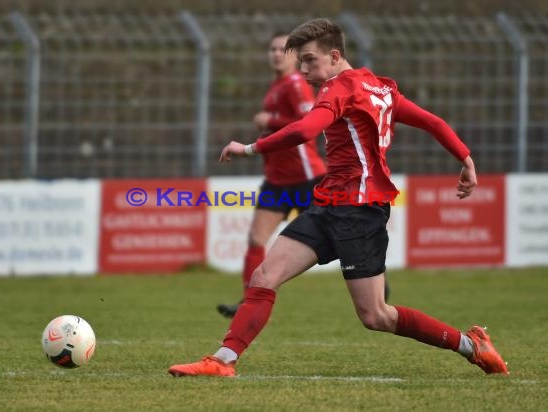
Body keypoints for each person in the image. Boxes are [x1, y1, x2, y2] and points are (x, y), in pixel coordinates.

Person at [169, 18, 508, 377]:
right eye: (300, 61)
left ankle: (471, 344)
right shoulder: (379, 88)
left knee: (376, 315)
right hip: (328, 204)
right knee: (264, 276)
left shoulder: (339, 88)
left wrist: (250, 147)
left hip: (360, 212)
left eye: (310, 60)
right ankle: (223, 361)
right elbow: (433, 122)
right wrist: (466, 159)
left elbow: (306, 129)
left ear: (334, 56)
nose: (303, 69)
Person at [216, 32, 390, 319]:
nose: (274, 54)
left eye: (280, 50)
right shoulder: (276, 86)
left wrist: (268, 124)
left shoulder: (297, 84)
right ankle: (250, 298)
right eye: (271, 49)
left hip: (306, 175)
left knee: (343, 233)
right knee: (257, 238)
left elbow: (306, 124)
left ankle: (376, 284)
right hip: (278, 179)